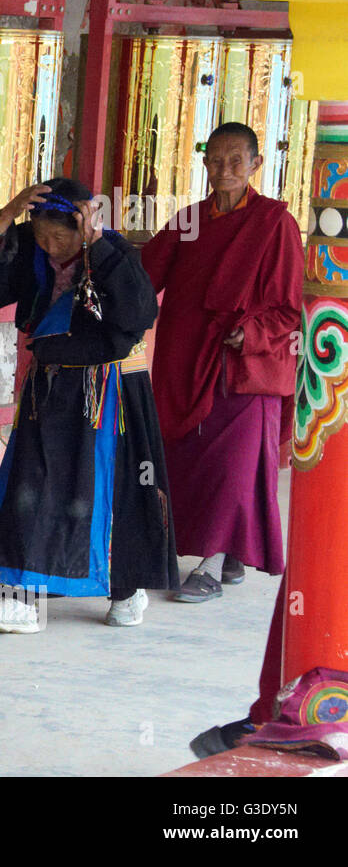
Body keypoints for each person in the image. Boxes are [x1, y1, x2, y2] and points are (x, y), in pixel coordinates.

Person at [0, 177, 178, 632]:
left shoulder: (114, 253)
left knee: (112, 492)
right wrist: (9, 211)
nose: (51, 247)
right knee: (36, 484)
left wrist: (96, 244)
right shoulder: (36, 258)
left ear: (83, 225)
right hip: (52, 385)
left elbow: (138, 314)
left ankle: (126, 589)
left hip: (108, 390)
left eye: (61, 237)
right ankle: (25, 597)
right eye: (41, 236)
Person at [139, 122, 302, 603]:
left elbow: (290, 308)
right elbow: (143, 277)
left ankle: (210, 564)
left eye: (236, 161)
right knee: (190, 464)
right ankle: (227, 555)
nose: (224, 170)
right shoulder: (189, 221)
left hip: (248, 368)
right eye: (215, 160)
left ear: (256, 164)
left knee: (234, 469)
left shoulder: (275, 224)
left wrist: (249, 332)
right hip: (188, 364)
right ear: (204, 163)